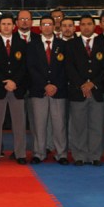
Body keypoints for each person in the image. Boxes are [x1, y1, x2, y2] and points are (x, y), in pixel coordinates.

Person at [0, 13, 28, 165]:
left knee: (19, 123)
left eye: (9, 24)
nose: (6, 27)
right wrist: (4, 82)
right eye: (3, 24)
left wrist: (14, 81)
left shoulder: (22, 43)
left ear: (14, 26)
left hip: (17, 88)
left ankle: (20, 153)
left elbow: (24, 66)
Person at [66, 15, 104, 166]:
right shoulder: (71, 44)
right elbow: (69, 67)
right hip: (78, 91)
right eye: (83, 24)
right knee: (78, 126)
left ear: (94, 26)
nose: (86, 27)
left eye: (89, 24)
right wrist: (82, 84)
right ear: (79, 27)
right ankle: (79, 155)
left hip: (96, 91)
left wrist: (93, 83)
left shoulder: (102, 43)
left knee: (96, 125)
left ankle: (95, 155)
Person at [27, 16, 68, 165]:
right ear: (39, 27)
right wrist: (45, 85)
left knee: (59, 124)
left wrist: (55, 85)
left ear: (54, 26)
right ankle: (39, 153)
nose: (47, 27)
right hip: (39, 90)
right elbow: (31, 68)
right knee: (39, 124)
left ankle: (61, 154)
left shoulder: (63, 45)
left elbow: (66, 68)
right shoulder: (32, 45)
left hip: (58, 90)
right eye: (44, 24)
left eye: (50, 24)